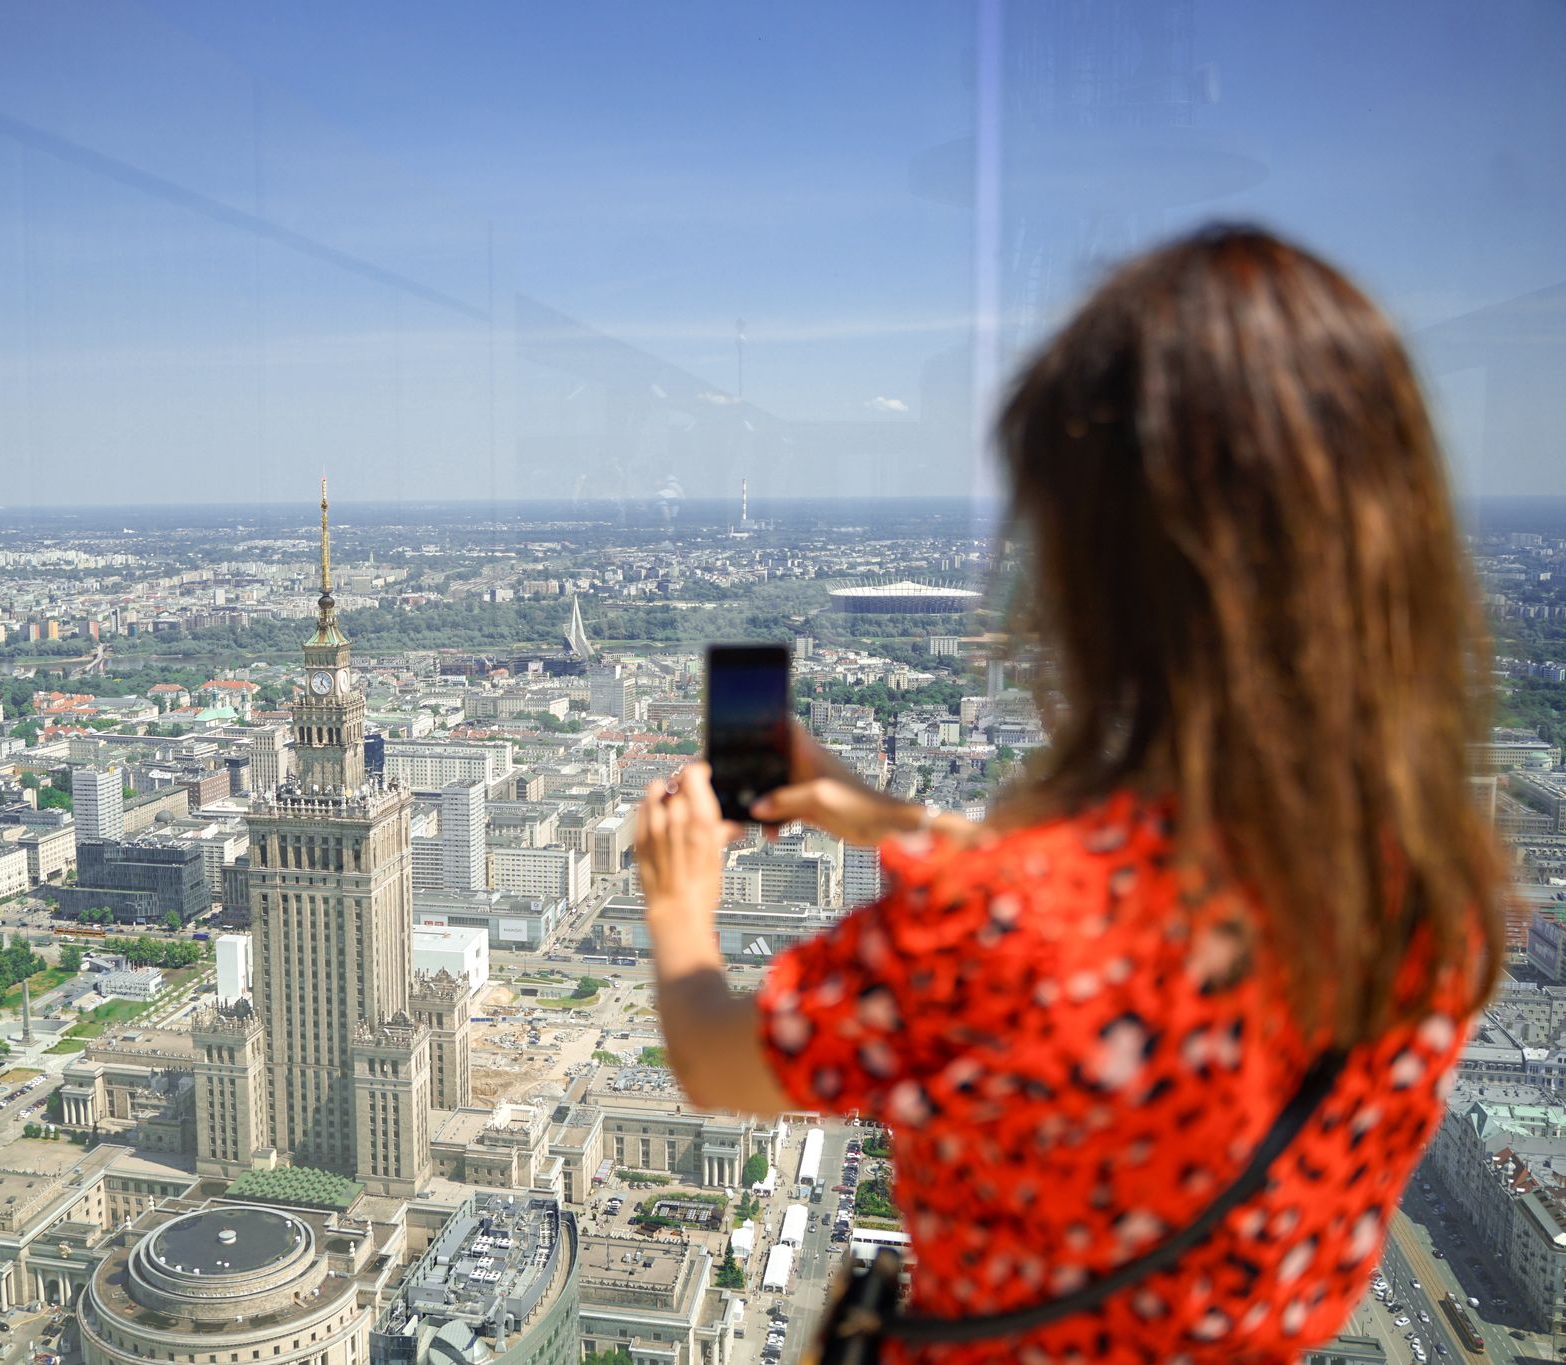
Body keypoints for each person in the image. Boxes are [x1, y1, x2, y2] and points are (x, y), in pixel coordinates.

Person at [637, 225, 1503, 1363]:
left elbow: (711, 1059)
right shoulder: (1432, 906)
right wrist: (880, 819)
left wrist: (676, 901)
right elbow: (1111, 924)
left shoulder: (991, 935)